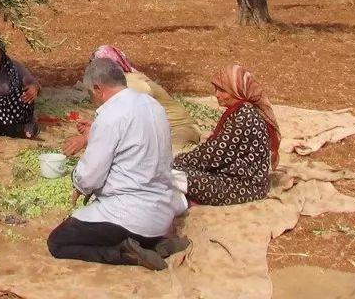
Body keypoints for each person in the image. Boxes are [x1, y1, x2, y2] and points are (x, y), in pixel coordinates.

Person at [48, 56, 189, 270]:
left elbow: (89, 177)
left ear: (97, 88)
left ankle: (124, 253)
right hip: (162, 215)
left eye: (90, 93)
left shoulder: (110, 116)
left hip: (128, 215)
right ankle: (157, 245)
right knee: (120, 220)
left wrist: (77, 182)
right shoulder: (153, 106)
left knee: (59, 241)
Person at [172, 65, 281, 206]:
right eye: (216, 89)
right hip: (232, 177)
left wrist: (178, 160)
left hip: (243, 187)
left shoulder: (245, 117)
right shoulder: (239, 111)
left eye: (222, 90)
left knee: (172, 175)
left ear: (238, 92)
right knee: (175, 171)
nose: (216, 95)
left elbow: (214, 155)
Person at [87, 46, 201, 151]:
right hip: (160, 134)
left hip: (179, 129)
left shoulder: (131, 82)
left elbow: (137, 116)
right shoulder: (119, 84)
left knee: (167, 159)